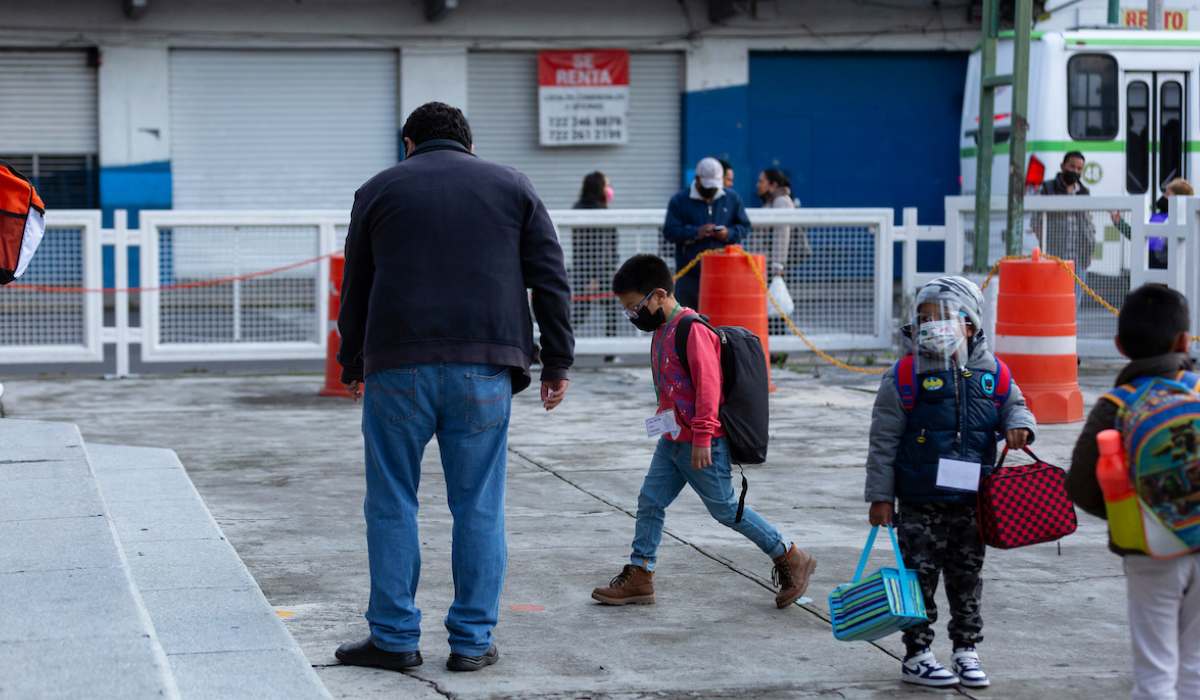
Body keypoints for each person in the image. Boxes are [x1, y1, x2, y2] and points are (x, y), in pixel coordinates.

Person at [335, 101, 574, 674]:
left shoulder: (379, 189)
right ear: (469, 143)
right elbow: (550, 279)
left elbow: (357, 286)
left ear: (409, 143)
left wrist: (352, 362)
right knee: (479, 508)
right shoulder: (512, 186)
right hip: (485, 369)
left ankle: (394, 638)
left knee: (392, 503)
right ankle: (470, 642)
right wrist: (557, 363)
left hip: (397, 369)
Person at [590, 254, 816, 609]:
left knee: (725, 508)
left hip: (702, 441)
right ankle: (640, 573)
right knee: (651, 500)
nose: (633, 315)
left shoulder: (691, 330)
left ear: (660, 294)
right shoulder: (661, 331)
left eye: (635, 307)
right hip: (672, 439)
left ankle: (789, 554)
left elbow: (708, 388)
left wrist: (702, 435)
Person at [864, 276, 1036, 689]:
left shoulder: (992, 373)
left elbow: (1017, 406)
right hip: (920, 502)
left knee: (966, 577)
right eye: (923, 319)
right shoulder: (904, 376)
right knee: (918, 580)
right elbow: (883, 441)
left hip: (971, 502)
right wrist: (880, 497)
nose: (930, 326)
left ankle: (966, 649)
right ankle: (918, 653)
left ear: (971, 325)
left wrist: (1021, 427)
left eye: (941, 318)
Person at [1067, 284, 1199, 700]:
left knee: (1155, 671)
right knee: (1195, 666)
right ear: (1184, 341)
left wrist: (1138, 511)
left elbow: (1081, 485)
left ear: (1120, 346)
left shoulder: (1117, 404)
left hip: (1150, 549)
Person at [663, 157, 752, 309]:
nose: (711, 191)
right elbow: (670, 231)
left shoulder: (731, 198)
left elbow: (745, 226)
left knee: (720, 320)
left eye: (714, 187)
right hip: (689, 274)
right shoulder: (679, 200)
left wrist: (728, 233)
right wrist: (696, 232)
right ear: (697, 179)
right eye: (707, 187)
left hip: (724, 273)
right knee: (689, 320)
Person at [572, 171, 620, 337]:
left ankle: (611, 351)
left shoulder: (595, 208)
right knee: (580, 313)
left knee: (611, 309)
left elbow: (611, 245)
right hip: (593, 272)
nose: (609, 189)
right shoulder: (590, 212)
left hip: (602, 270)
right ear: (598, 188)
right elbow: (590, 248)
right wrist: (593, 277)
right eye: (606, 185)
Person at [1031, 151, 1096, 272]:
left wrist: (1090, 244)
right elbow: (1035, 221)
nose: (1075, 171)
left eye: (1079, 169)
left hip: (1079, 260)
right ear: (1062, 166)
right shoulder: (1047, 188)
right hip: (1054, 259)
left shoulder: (1084, 192)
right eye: (1072, 166)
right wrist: (1046, 244)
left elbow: (1088, 222)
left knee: (1077, 291)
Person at [1111, 178, 1192, 270]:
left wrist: (1119, 223)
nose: (1163, 196)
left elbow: (1141, 238)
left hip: (1161, 270)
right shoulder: (1162, 217)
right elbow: (1143, 237)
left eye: (1167, 193)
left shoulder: (1169, 218)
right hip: (1159, 270)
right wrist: (1119, 223)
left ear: (1178, 197)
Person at [756, 167, 809, 277]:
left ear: (773, 185)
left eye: (761, 181)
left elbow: (781, 234)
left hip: (776, 267)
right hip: (770, 264)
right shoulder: (771, 201)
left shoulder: (781, 201)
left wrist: (778, 265)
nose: (758, 185)